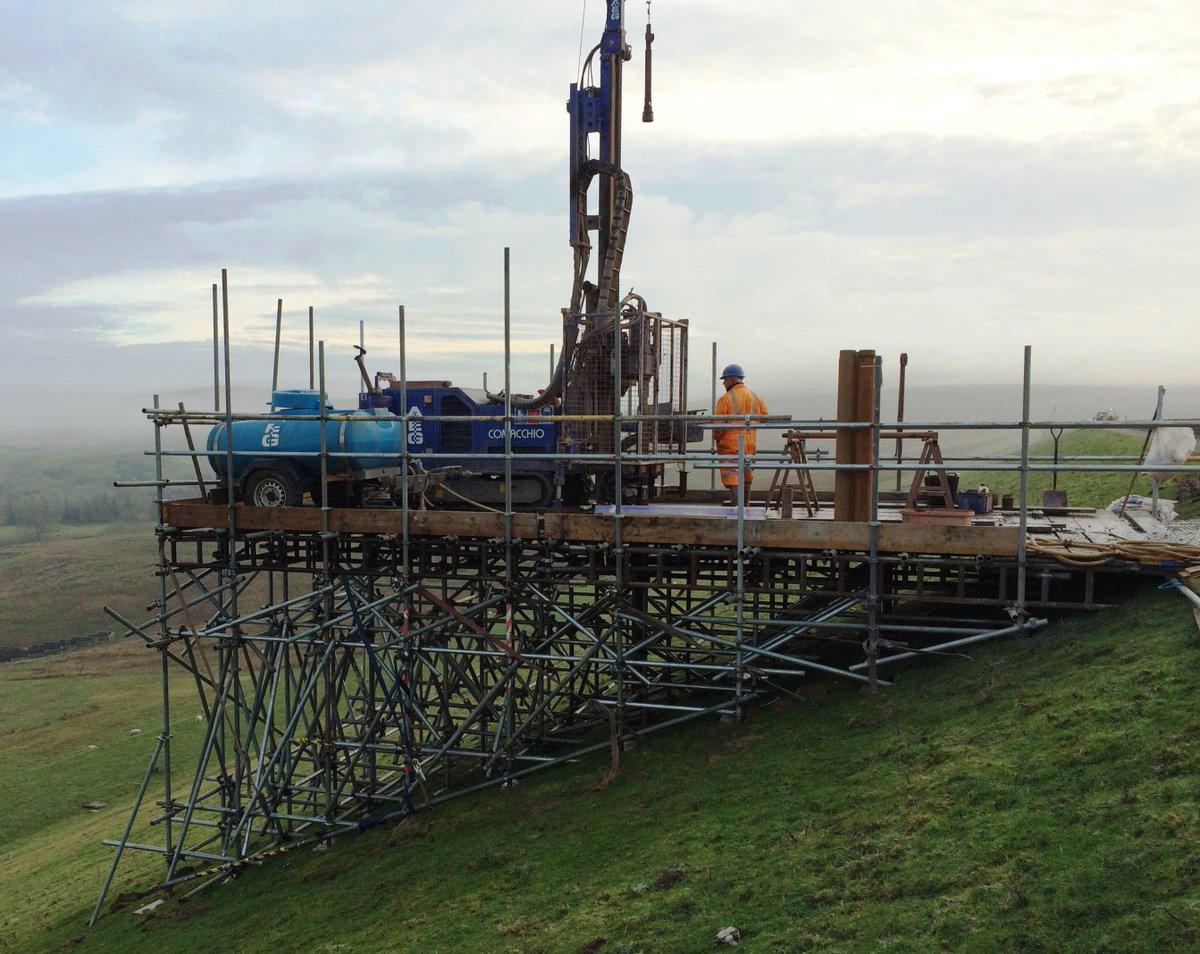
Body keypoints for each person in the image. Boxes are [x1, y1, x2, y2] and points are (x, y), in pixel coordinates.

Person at [713, 363, 768, 507]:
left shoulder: (725, 399)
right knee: (747, 472)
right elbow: (764, 417)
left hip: (731, 442)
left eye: (725, 380)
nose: (724, 383)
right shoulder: (755, 396)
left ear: (731, 379)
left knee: (733, 475)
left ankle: (737, 510)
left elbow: (717, 426)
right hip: (750, 442)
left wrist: (718, 439)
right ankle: (746, 506)